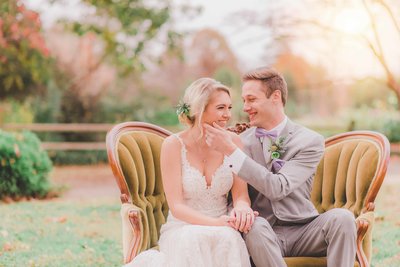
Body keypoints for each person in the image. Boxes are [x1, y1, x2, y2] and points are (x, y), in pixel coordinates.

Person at [204, 67, 357, 267]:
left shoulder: (309, 141)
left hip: (305, 229)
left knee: (343, 218)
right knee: (253, 225)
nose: (245, 107)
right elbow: (235, 196)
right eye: (244, 101)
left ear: (275, 96)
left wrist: (232, 152)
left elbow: (278, 187)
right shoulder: (240, 142)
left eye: (251, 99)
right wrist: (239, 210)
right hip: (261, 230)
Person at [125, 78, 256, 267]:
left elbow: (241, 195)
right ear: (199, 109)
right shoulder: (173, 145)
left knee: (230, 239)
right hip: (183, 227)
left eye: (229, 107)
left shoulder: (234, 143)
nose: (228, 115)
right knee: (193, 239)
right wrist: (216, 223)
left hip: (224, 225)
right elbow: (177, 206)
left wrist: (242, 208)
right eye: (220, 108)